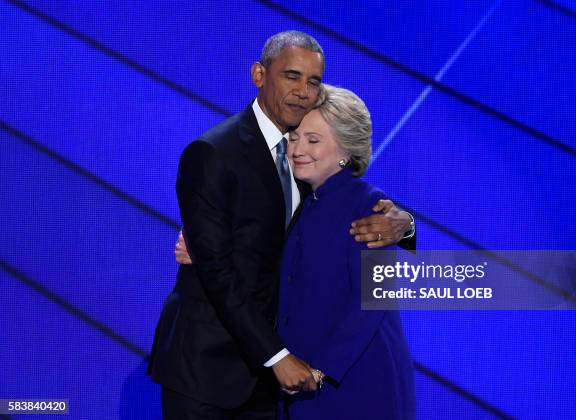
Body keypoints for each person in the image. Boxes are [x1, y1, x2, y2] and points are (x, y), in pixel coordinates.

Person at [149, 30, 415, 419]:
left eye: (313, 81)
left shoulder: (316, 176)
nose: (303, 91)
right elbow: (220, 268)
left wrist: (404, 223)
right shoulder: (212, 153)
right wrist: (206, 254)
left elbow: (359, 221)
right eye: (292, 76)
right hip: (210, 370)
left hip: (287, 380)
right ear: (259, 74)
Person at [276, 85, 415, 419]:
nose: (297, 149)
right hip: (300, 382)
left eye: (313, 140)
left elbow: (373, 302)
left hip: (356, 384)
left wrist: (321, 371)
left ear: (345, 152)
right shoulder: (302, 200)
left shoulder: (370, 206)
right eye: (294, 137)